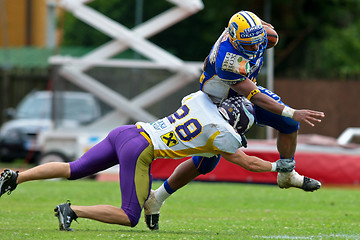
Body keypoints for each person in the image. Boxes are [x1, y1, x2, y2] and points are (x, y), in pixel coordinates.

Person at [0, 91, 295, 231]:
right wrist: (277, 166)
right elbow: (246, 162)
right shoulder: (224, 136)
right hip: (141, 150)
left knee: (72, 168)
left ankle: (15, 176)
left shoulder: (200, 101)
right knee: (129, 216)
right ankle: (71, 210)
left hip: (128, 131)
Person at [143, 10, 325, 230]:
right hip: (218, 102)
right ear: (235, 40)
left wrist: (263, 30)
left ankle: (287, 174)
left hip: (239, 95)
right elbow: (254, 96)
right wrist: (291, 110)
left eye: (257, 41)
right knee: (207, 162)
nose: (256, 48)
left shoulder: (252, 33)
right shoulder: (228, 60)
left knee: (288, 125)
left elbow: (264, 32)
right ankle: (157, 198)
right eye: (249, 45)